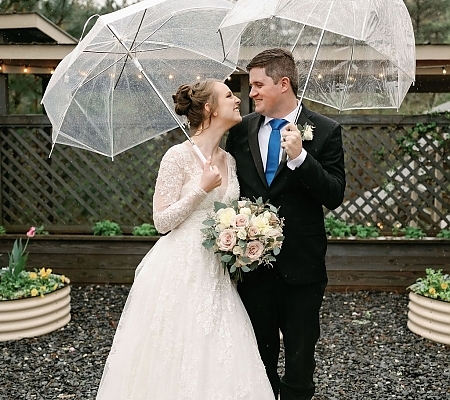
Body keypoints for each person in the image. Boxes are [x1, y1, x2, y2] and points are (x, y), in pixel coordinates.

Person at [95, 79, 274, 399]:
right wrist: (200, 190)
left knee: (220, 350)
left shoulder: (229, 161)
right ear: (209, 108)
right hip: (179, 270)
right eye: (229, 95)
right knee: (176, 350)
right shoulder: (176, 157)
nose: (238, 100)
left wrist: (246, 235)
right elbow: (162, 222)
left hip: (217, 272)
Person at [226, 48, 346, 400]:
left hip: (302, 267)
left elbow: (335, 194)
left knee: (300, 362)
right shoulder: (240, 130)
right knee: (257, 361)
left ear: (283, 83)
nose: (251, 93)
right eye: (250, 86)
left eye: (258, 85)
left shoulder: (325, 131)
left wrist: (302, 158)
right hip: (252, 267)